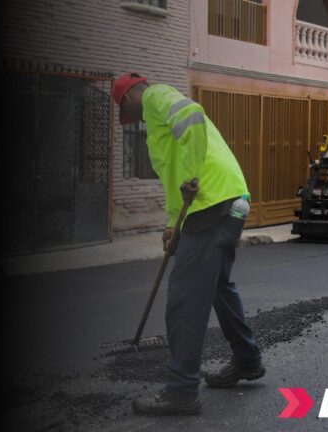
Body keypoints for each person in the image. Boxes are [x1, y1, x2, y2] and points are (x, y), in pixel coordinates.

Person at [112, 73, 264, 415]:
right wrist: (172, 223)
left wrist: (192, 176)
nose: (130, 117)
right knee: (217, 288)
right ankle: (247, 359)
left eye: (126, 110)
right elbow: (172, 176)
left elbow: (192, 115)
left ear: (130, 96)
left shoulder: (155, 98)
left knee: (185, 297)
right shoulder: (156, 122)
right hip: (230, 198)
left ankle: (181, 391)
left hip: (211, 201)